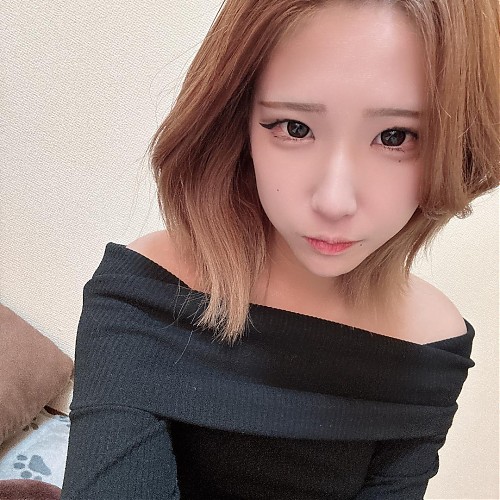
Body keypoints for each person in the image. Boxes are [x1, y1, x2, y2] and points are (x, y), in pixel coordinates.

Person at [61, 0, 499, 498]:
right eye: (295, 127)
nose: (334, 201)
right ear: (238, 123)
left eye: (395, 136)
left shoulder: (431, 344)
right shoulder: (146, 295)